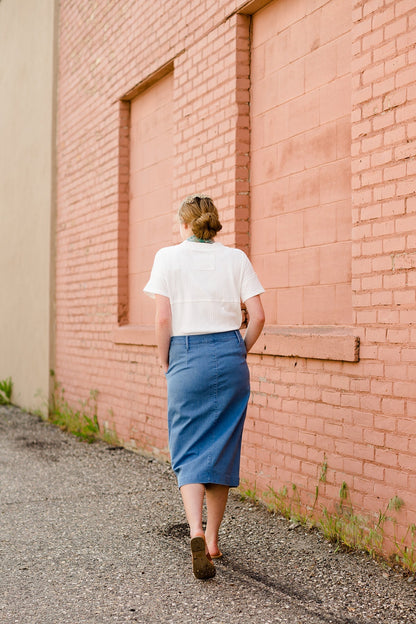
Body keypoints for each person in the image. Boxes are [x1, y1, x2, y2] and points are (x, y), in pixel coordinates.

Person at [144, 194, 265, 579]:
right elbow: (259, 316)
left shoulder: (167, 257)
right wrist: (238, 350)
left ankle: (194, 529)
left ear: (184, 224)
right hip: (230, 354)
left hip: (186, 353)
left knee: (187, 443)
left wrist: (165, 359)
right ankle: (212, 540)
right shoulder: (236, 258)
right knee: (222, 445)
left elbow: (163, 319)